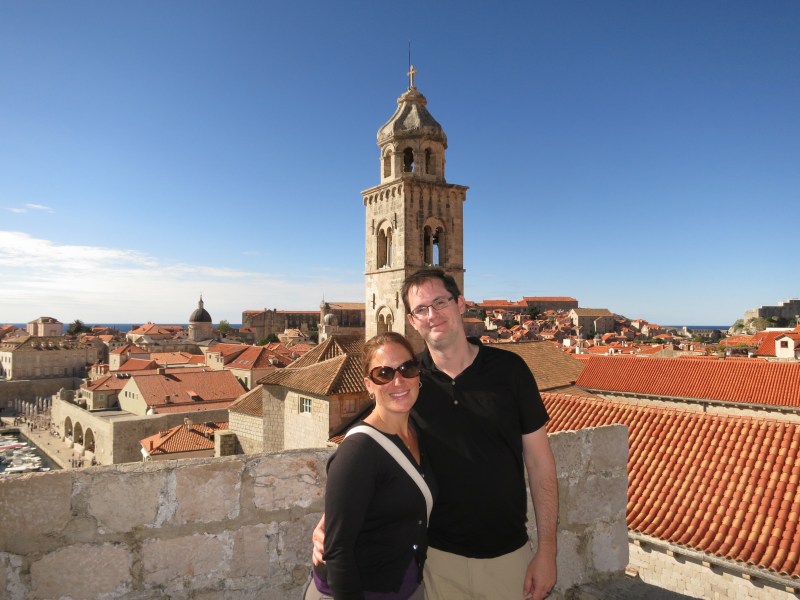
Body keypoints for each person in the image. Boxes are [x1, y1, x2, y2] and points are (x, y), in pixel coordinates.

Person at [314, 269, 558, 600]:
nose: (432, 315)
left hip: (507, 557)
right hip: (435, 563)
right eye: (421, 309)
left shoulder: (510, 371)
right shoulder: (409, 382)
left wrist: (547, 550)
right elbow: (372, 440)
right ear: (412, 321)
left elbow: (541, 464)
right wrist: (332, 519)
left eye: (440, 302)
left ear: (461, 304)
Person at [306, 331, 436, 600]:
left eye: (407, 368)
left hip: (406, 586)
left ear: (418, 374)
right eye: (383, 374)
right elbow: (338, 550)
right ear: (368, 385)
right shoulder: (358, 452)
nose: (398, 380)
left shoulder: (417, 433)